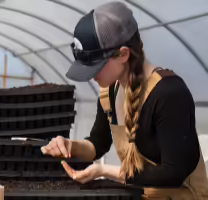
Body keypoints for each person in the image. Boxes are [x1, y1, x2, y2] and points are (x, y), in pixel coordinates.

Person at [41, 2, 208, 199]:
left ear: (123, 54)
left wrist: (103, 172)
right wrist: (70, 146)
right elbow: (98, 144)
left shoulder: (169, 93)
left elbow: (173, 173)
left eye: (96, 66)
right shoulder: (110, 91)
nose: (91, 76)